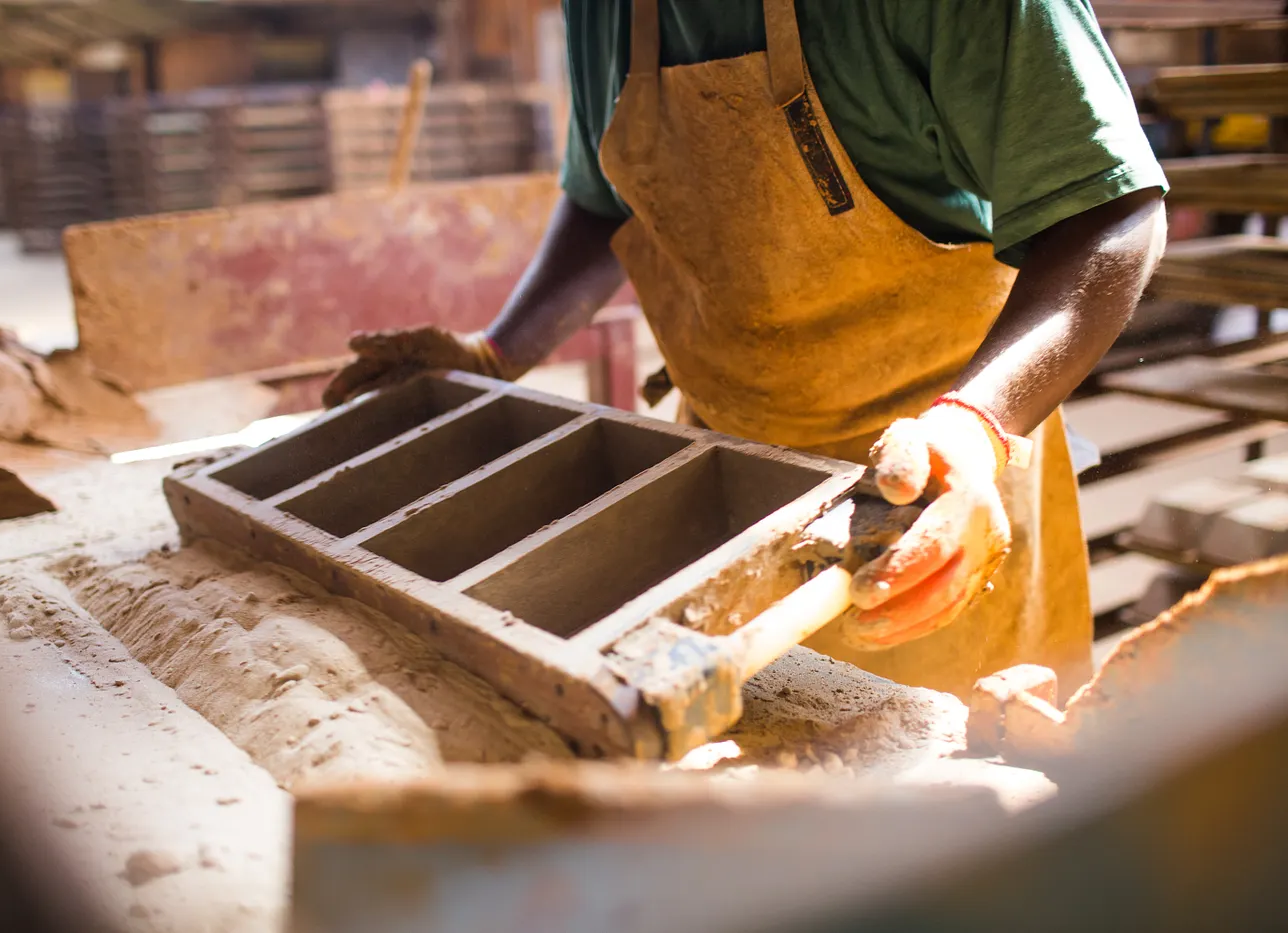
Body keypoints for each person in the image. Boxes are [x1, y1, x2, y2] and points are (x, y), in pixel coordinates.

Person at [323, 0, 1168, 700]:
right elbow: (604, 198)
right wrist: (496, 353)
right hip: (722, 475)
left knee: (946, 801)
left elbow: (1107, 211)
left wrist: (976, 425)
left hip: (936, 478)